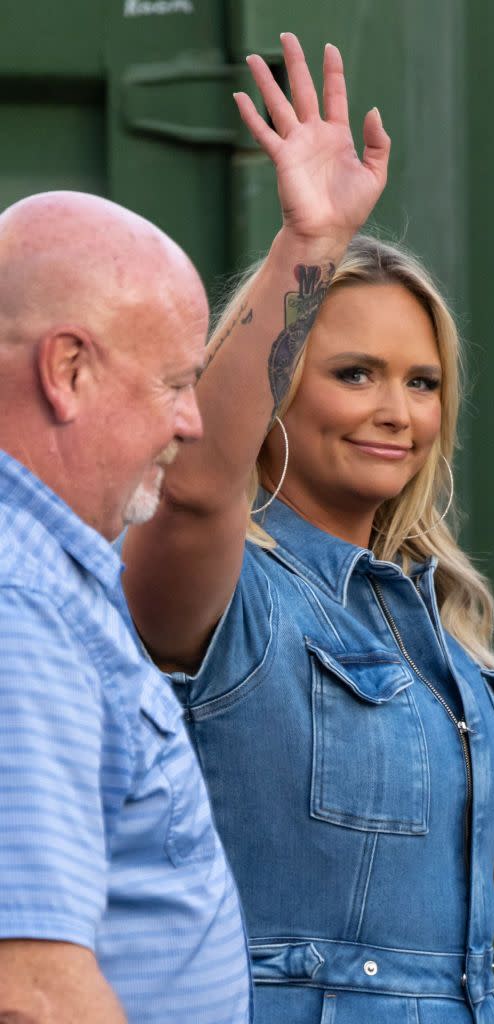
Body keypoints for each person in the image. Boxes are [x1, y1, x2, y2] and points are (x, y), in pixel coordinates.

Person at [121, 34, 494, 1024]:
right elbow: (201, 481)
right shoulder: (226, 586)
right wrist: (307, 244)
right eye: (356, 374)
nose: (398, 409)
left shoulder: (421, 613)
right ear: (282, 392)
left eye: (422, 382)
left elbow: (389, 897)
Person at [0, 192, 252, 1022]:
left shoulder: (52, 561)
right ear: (67, 371)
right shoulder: (21, 605)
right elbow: (30, 992)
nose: (189, 420)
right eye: (176, 383)